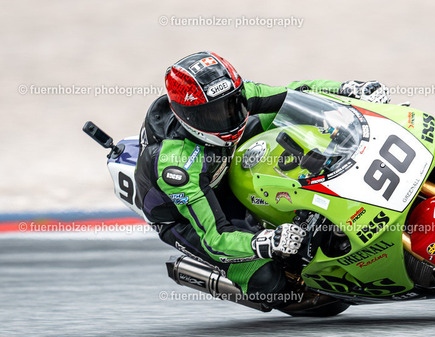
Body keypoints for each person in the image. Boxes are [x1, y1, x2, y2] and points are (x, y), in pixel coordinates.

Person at [135, 51, 390, 303]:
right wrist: (265, 241)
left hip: (222, 161)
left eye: (231, 105)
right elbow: (216, 237)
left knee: (292, 115)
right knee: (267, 280)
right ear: (187, 117)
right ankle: (245, 279)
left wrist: (347, 90)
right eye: (212, 114)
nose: (227, 117)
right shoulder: (176, 165)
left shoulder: (238, 96)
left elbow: (296, 94)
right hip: (183, 215)